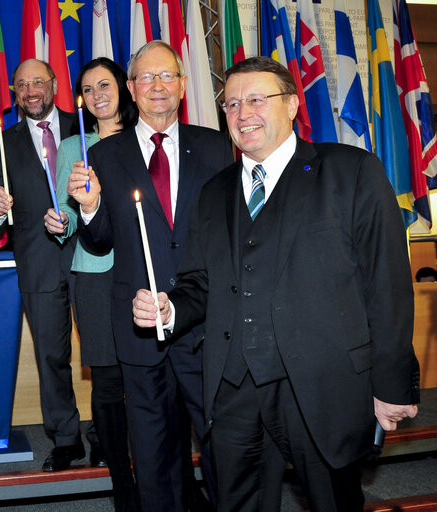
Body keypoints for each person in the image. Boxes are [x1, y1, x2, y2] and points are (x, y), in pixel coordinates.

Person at [132, 56, 421, 511]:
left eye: (256, 99)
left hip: (321, 387)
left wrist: (391, 386)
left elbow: (387, 287)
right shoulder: (214, 192)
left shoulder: (351, 173)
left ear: (291, 105)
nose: (243, 113)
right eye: (231, 104)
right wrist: (170, 310)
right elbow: (200, 284)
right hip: (232, 393)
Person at [66, 41, 234, 511]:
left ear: (182, 86)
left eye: (167, 76)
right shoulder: (104, 155)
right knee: (153, 449)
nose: (158, 85)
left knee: (220, 443)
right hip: (138, 323)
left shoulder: (217, 146)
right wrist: (91, 205)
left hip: (203, 324)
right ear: (132, 90)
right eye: (147, 78)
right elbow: (98, 242)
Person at [0, 58, 92, 472]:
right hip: (38, 261)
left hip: (92, 256)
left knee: (101, 351)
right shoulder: (3, 142)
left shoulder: (86, 127)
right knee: (51, 356)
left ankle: (106, 432)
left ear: (54, 84)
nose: (31, 91)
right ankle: (66, 438)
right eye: (22, 85)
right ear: (14, 91)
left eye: (38, 82)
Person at [43, 57, 139, 510]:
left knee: (150, 379)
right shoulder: (70, 148)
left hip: (144, 271)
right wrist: (56, 220)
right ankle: (123, 484)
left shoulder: (143, 140)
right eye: (86, 89)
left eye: (104, 84)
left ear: (122, 87)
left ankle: (156, 468)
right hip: (93, 276)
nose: (97, 94)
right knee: (106, 381)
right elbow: (63, 225)